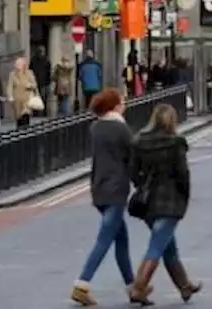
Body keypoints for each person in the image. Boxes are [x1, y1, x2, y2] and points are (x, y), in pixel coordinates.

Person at [128, 103, 201, 305]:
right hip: (170, 202)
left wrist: (142, 185)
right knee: (157, 246)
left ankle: (185, 286)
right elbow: (182, 174)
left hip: (149, 203)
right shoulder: (175, 143)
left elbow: (133, 172)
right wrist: (184, 195)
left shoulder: (140, 142)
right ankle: (139, 287)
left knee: (168, 245)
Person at [71, 89, 136, 306]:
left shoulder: (96, 127)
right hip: (116, 190)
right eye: (122, 101)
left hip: (98, 188)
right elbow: (133, 158)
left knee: (121, 239)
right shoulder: (121, 129)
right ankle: (82, 284)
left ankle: (132, 287)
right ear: (115, 106)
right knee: (104, 239)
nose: (124, 104)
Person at [7, 55, 40, 128]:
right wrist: (10, 96)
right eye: (16, 64)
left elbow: (35, 85)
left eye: (19, 64)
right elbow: (10, 86)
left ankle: (26, 132)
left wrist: (30, 85)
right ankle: (20, 133)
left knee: (25, 117)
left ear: (23, 65)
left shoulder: (29, 73)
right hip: (17, 99)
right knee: (19, 119)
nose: (16, 66)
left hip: (26, 99)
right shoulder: (12, 74)